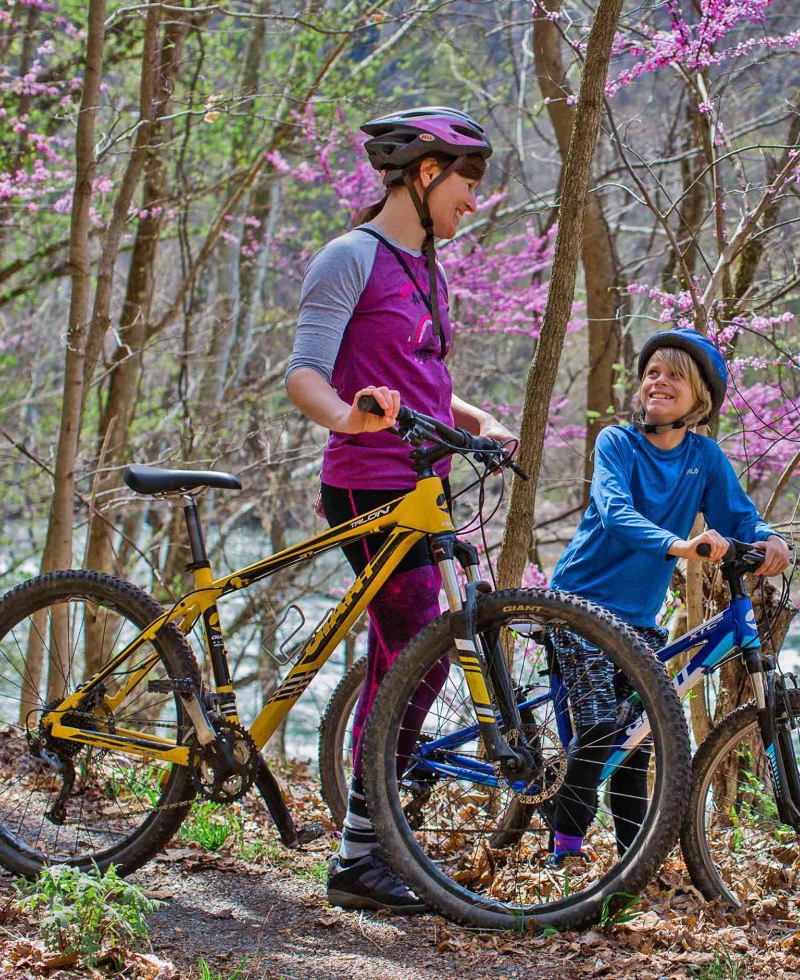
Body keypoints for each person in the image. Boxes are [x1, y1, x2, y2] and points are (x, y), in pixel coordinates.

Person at [285, 106, 513, 913]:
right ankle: (360, 851)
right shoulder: (350, 257)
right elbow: (306, 375)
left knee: (417, 652)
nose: (473, 201)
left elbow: (418, 380)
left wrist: (474, 421)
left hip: (423, 482)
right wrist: (350, 415)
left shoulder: (427, 267)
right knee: (416, 645)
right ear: (423, 174)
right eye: (466, 182)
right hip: (366, 479)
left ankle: (374, 832)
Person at [543, 327, 790, 865]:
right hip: (578, 604)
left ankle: (633, 864)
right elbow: (617, 513)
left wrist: (771, 540)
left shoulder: (703, 457)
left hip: (637, 619)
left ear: (698, 397)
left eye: (674, 374)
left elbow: (739, 516)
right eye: (652, 372)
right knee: (600, 724)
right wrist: (682, 545)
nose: (659, 381)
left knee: (638, 739)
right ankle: (564, 848)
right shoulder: (618, 443)